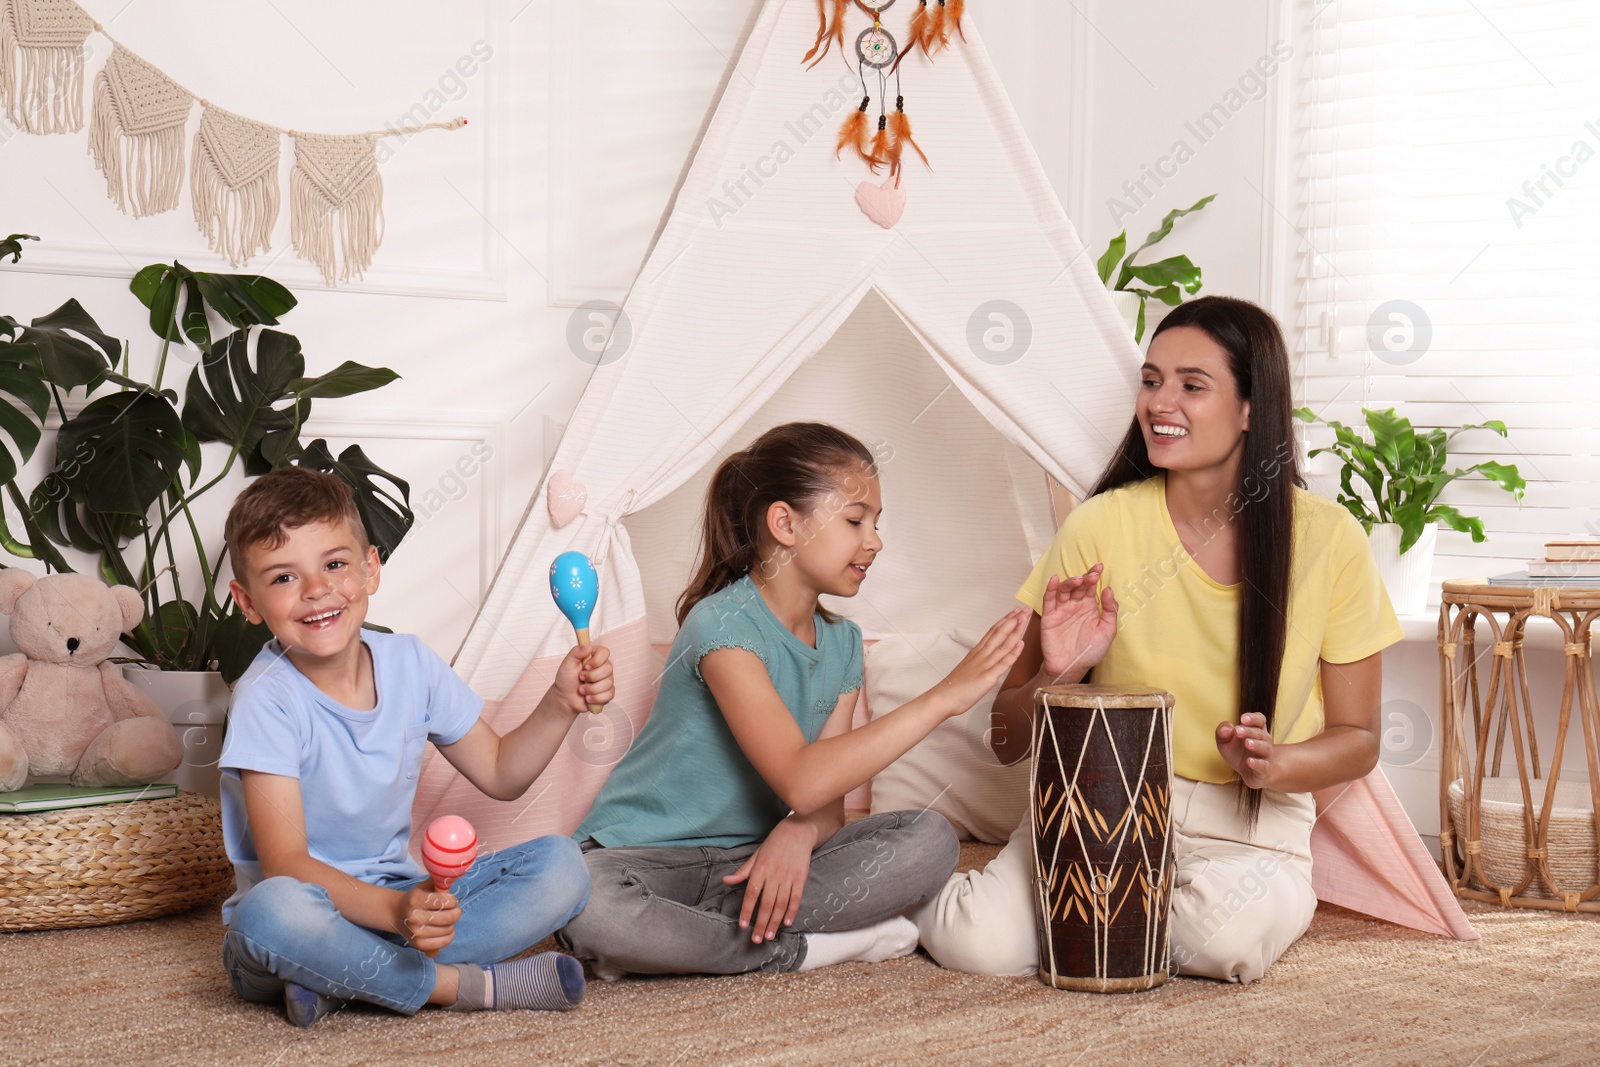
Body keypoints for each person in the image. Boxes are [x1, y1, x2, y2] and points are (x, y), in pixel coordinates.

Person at [916, 296, 1404, 983]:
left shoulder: (1329, 538)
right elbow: (1005, 737)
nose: (1159, 401)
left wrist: (1276, 763)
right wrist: (1062, 673)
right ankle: (904, 894)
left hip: (1251, 824)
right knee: (979, 946)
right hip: (1101, 806)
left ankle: (1148, 907)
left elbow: (1359, 737)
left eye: (1191, 385)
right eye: (1151, 380)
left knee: (1216, 941)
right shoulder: (1099, 525)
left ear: (1250, 408)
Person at [558, 422, 1029, 977]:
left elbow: (821, 802)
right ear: (784, 523)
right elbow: (800, 780)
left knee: (929, 840)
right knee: (589, 900)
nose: (874, 540)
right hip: (643, 861)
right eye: (856, 520)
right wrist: (945, 697)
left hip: (756, 864)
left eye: (876, 523)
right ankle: (801, 947)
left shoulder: (844, 644)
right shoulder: (722, 625)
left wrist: (797, 833)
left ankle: (680, 939)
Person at [217, 466, 613, 1027]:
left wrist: (560, 702)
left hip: (400, 899)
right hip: (311, 908)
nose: (316, 591)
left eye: (334, 564)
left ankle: (341, 978)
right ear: (247, 601)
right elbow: (286, 864)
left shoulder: (410, 663)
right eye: (283, 578)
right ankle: (457, 986)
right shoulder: (266, 698)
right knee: (269, 914)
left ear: (370, 568)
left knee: (563, 866)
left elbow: (502, 773)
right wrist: (395, 912)